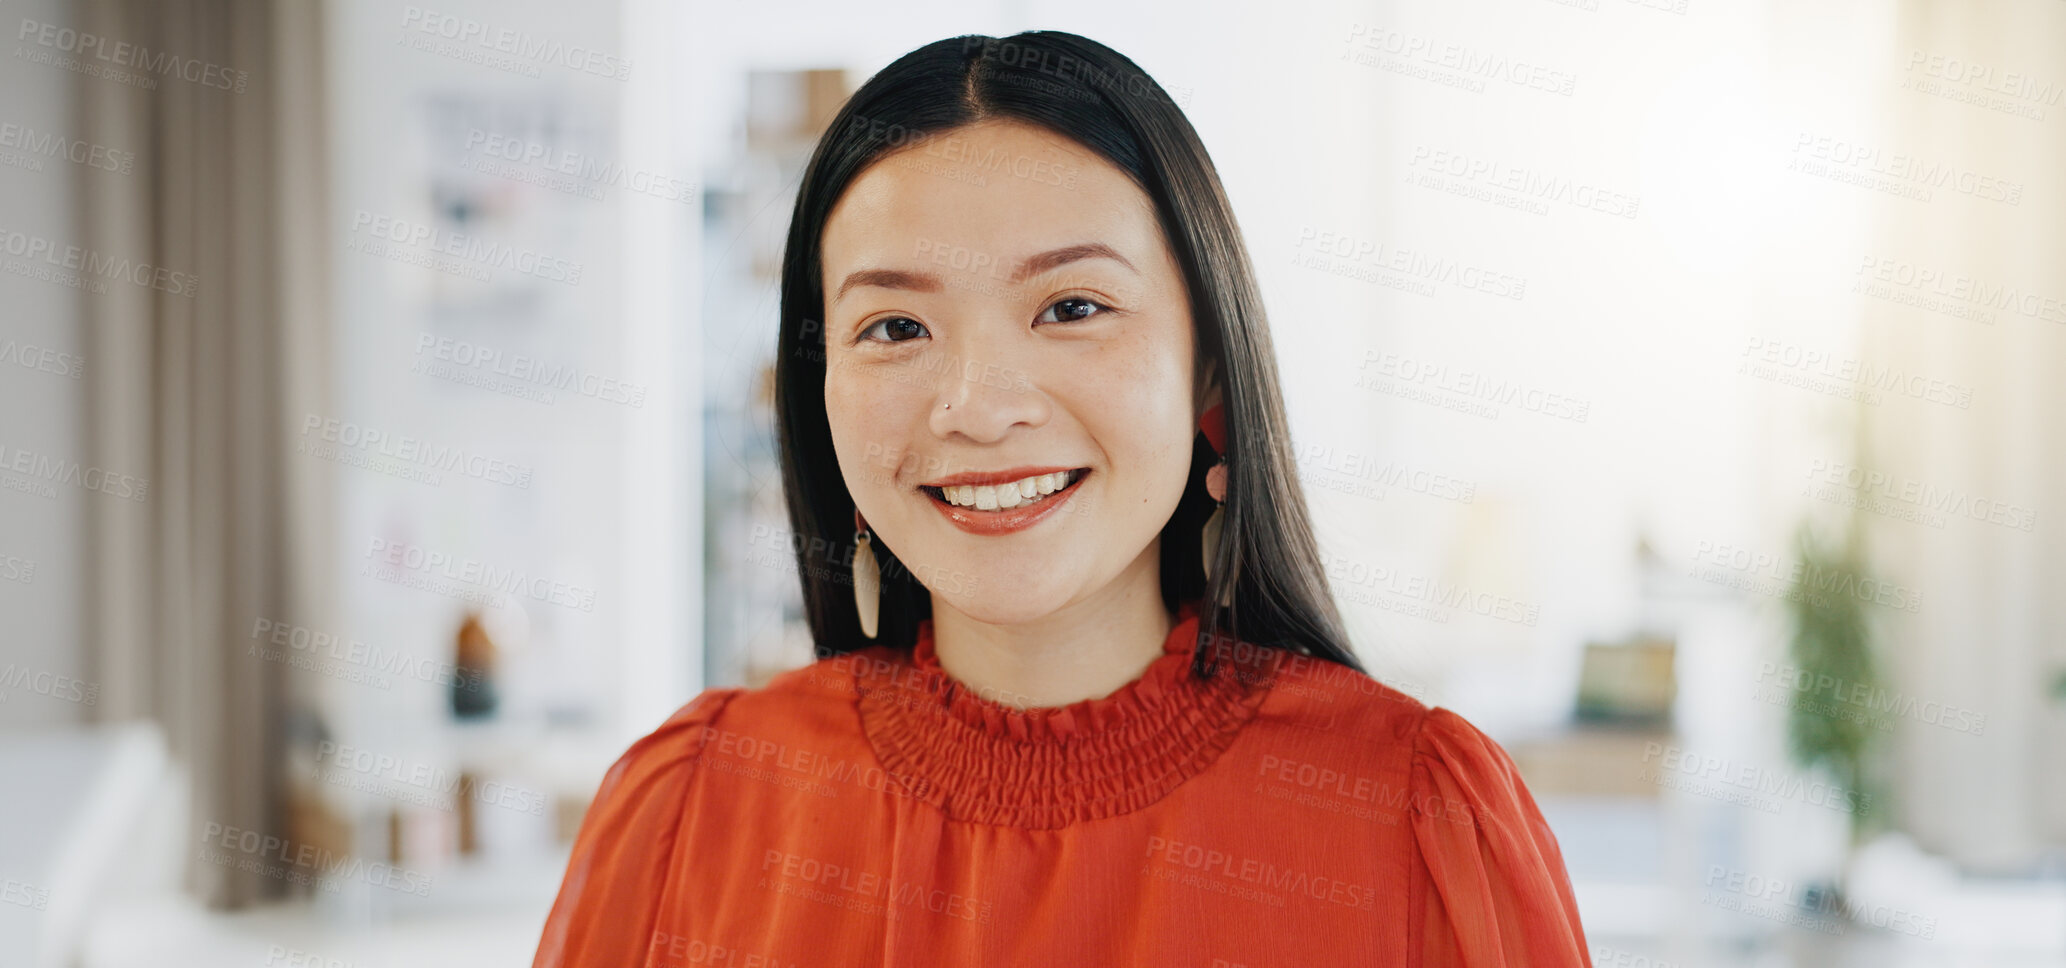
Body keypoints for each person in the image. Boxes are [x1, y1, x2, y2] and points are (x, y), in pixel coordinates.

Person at [534, 30, 1591, 966]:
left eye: (1070, 305)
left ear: (1208, 374)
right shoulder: (691, 808)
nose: (979, 409)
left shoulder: (1414, 818)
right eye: (894, 327)